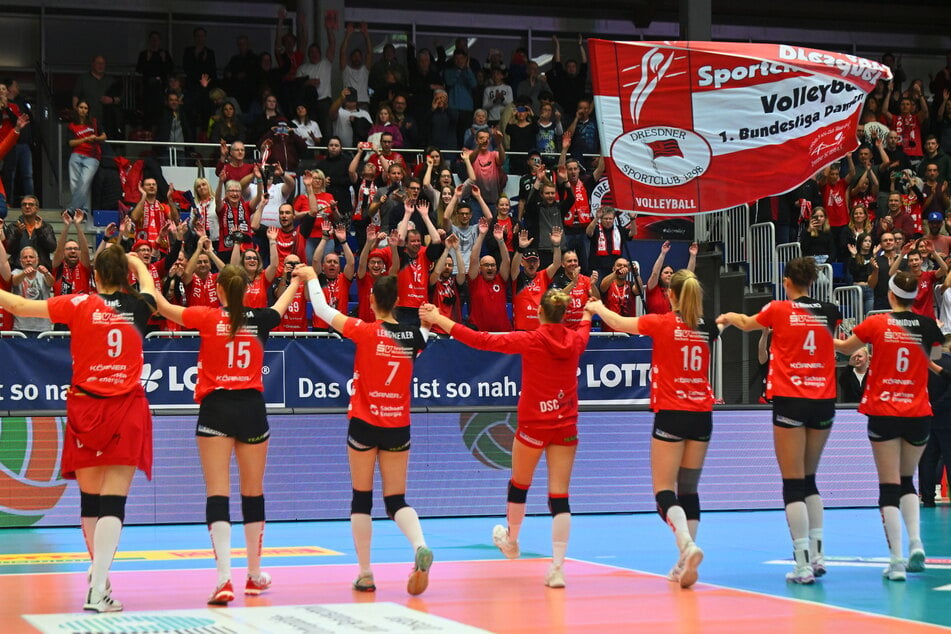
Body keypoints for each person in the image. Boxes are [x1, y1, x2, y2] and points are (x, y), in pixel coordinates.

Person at [0, 244, 155, 611]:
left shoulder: (78, 303)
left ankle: (98, 576)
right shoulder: (140, 305)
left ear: (95, 275)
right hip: (125, 408)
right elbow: (149, 284)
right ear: (125, 276)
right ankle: (99, 583)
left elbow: (19, 306)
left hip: (85, 407)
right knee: (114, 500)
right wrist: (135, 261)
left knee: (91, 499)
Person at [420, 288, 592, 588]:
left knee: (519, 485)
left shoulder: (531, 339)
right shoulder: (575, 340)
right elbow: (585, 327)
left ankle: (512, 541)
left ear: (539, 313)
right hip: (565, 425)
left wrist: (438, 319)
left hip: (534, 425)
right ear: (564, 314)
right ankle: (557, 568)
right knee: (560, 497)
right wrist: (590, 312)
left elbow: (481, 340)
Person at [154, 264, 300, 604]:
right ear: (246, 290)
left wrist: (144, 277)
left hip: (216, 408)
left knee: (217, 494)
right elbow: (281, 308)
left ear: (218, 290)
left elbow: (161, 306)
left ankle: (224, 579)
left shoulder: (206, 317)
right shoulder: (261, 319)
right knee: (253, 494)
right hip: (251, 408)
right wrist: (296, 282)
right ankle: (253, 575)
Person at [297, 267, 434, 595]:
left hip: (364, 423)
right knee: (396, 499)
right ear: (399, 302)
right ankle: (419, 546)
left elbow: (322, 310)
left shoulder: (364, 330)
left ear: (371, 300)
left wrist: (312, 277)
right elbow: (424, 334)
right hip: (398, 425)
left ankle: (366, 574)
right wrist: (428, 321)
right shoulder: (413, 337)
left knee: (362, 498)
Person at [586, 269, 717, 588]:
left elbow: (619, 324)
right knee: (689, 490)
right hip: (702, 414)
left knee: (663, 492)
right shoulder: (707, 328)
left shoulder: (662, 322)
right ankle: (685, 560)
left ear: (670, 295)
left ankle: (687, 546)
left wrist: (597, 308)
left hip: (672, 413)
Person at [717, 257, 841, 584]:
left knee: (792, 482)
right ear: (811, 282)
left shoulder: (779, 309)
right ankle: (817, 555)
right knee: (810, 478)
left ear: (787, 281)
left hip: (791, 399)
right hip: (824, 399)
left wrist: (729, 317)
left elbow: (747, 322)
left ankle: (801, 564)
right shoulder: (829, 310)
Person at [834, 271, 943, 581]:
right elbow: (933, 360)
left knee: (888, 485)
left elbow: (844, 348)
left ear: (891, 296)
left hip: (884, 409)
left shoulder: (878, 323)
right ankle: (917, 544)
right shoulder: (927, 325)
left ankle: (896, 560)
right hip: (918, 411)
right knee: (908, 480)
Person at [67, 100, 107, 217]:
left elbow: (104, 136)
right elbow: (70, 143)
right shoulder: (71, 125)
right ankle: (83, 211)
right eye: (81, 107)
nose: (83, 110)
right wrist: (85, 139)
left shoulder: (94, 122)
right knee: (74, 183)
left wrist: (96, 138)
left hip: (92, 156)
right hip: (76, 154)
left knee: (84, 181)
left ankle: (72, 209)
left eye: (85, 108)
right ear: (77, 109)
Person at [647, 241, 698, 314]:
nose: (669, 274)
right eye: (666, 273)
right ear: (660, 276)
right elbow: (655, 273)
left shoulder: (675, 290)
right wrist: (663, 253)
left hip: (672, 323)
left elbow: (688, 276)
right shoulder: (653, 288)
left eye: (671, 273)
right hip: (656, 323)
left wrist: (693, 256)